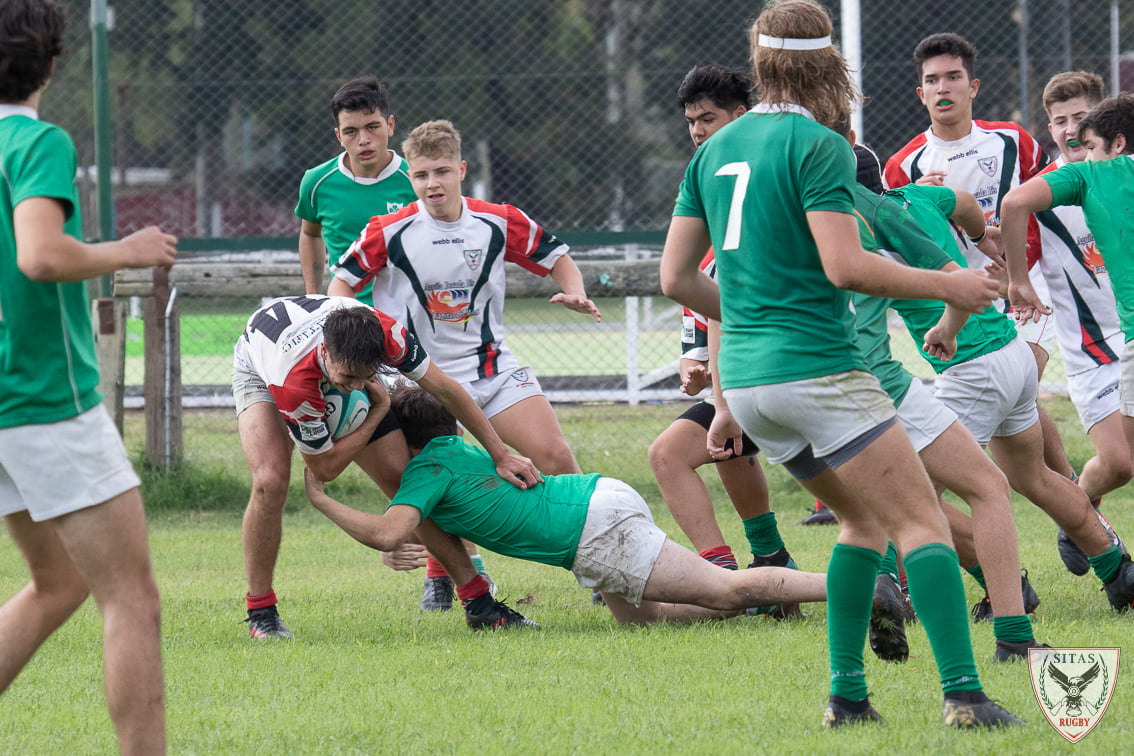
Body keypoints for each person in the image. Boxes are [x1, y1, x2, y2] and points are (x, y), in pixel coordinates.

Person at [659, 0, 1018, 729]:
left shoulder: (712, 150)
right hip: (818, 371)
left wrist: (751, 317)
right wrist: (949, 283)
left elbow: (677, 281)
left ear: (759, 65)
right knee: (920, 525)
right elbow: (846, 265)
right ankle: (966, 698)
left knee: (860, 525)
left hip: (752, 388)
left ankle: (847, 699)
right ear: (830, 67)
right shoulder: (819, 145)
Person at [328, 119, 601, 605]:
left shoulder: (498, 220)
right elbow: (341, 284)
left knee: (556, 456)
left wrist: (574, 289)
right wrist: (358, 334)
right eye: (420, 175)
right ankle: (451, 573)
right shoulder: (388, 230)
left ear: (461, 170)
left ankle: (599, 561)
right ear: (409, 178)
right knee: (430, 477)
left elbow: (557, 256)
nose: (432, 184)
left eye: (441, 172)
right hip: (419, 379)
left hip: (491, 370)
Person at [0, 1, 176, 751]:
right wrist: (127, 250)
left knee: (59, 582)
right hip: (43, 402)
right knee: (130, 599)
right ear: (52, 60)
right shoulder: (35, 141)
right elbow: (39, 255)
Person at [305, 384, 828, 625]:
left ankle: (856, 589)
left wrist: (319, 495)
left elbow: (388, 534)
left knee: (724, 590)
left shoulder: (426, 470)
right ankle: (768, 600)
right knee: (643, 622)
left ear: (405, 439)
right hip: (593, 501)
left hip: (592, 530)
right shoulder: (458, 449)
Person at [233, 295, 540, 639]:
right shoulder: (292, 382)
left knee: (407, 480)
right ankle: (261, 612)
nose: (357, 387)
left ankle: (480, 603)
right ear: (326, 353)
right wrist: (378, 411)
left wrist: (500, 453)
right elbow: (324, 469)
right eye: (349, 376)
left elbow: (446, 390)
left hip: (323, 353)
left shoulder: (387, 334)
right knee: (269, 482)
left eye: (366, 377)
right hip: (262, 367)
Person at [845, 140, 1042, 661]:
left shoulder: (783, 212)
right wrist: (950, 326)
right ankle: (1010, 640)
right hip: (880, 380)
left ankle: (848, 683)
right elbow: (964, 282)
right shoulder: (886, 211)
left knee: (873, 508)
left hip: (793, 381)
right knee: (983, 487)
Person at [883, 32, 1076, 484]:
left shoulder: (1014, 141)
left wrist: (1019, 264)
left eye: (954, 77)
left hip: (1020, 284)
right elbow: (900, 238)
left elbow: (1043, 205)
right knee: (1016, 398)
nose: (943, 88)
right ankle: (1070, 489)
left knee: (1023, 369)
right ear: (920, 92)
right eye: (932, 80)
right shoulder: (904, 167)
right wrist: (920, 201)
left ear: (973, 87)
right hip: (961, 295)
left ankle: (1005, 486)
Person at [647, 64, 797, 603]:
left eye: (708, 119)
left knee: (881, 488)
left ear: (742, 116)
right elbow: (699, 287)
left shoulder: (768, 172)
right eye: (690, 122)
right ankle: (746, 571)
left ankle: (917, 573)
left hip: (800, 366)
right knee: (682, 451)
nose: (697, 131)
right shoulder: (709, 181)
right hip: (746, 372)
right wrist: (695, 357)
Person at [1004, 93, 1134, 614]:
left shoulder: (1093, 176)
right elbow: (1013, 220)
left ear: (1114, 139)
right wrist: (1013, 275)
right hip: (1092, 349)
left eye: (1084, 126)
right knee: (1122, 461)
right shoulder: (1067, 181)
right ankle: (1079, 512)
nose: (1073, 135)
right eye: (1060, 122)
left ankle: (1077, 505)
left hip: (1126, 340)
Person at [296, 76, 415, 300]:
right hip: (346, 317)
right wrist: (313, 298)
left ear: (390, 125)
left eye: (372, 127)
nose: (363, 139)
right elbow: (310, 234)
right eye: (351, 131)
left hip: (406, 318)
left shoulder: (416, 181)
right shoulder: (316, 182)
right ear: (339, 136)